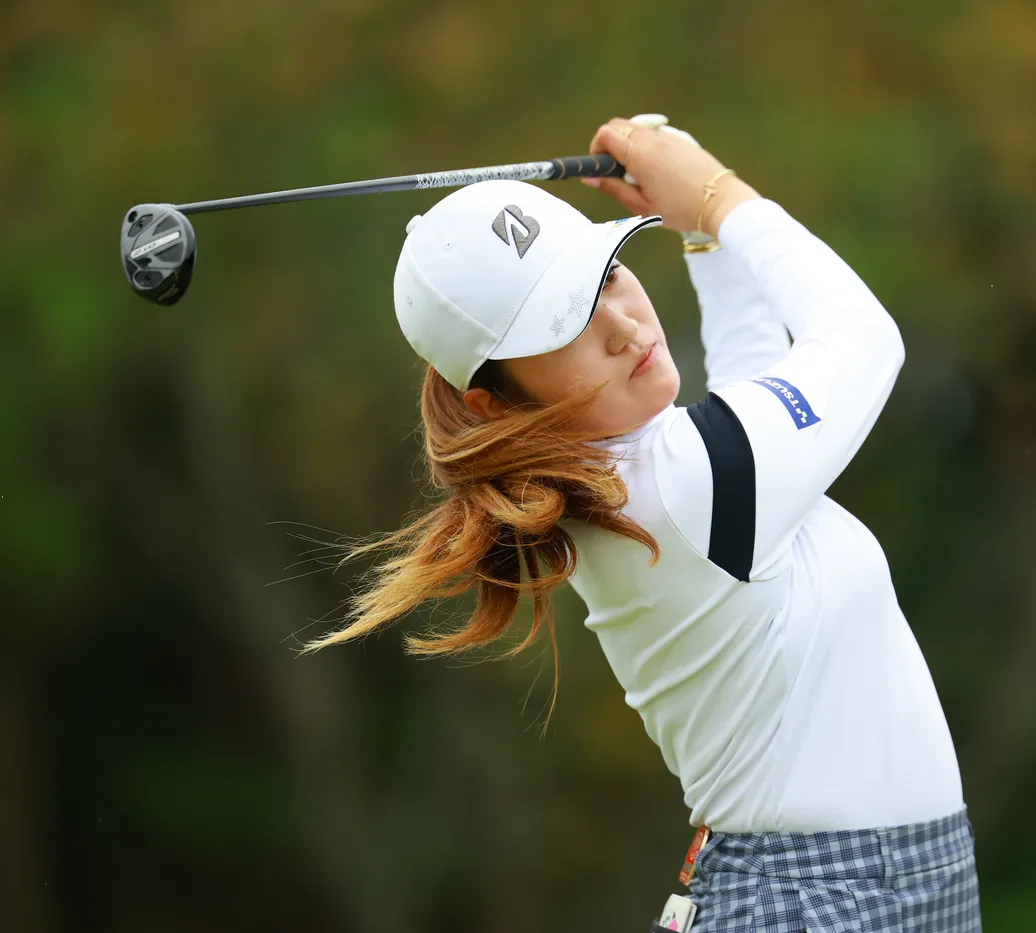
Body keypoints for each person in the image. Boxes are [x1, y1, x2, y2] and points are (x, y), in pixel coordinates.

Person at [306, 116, 982, 932]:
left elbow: (755, 374)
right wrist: (718, 193)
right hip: (815, 899)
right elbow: (865, 338)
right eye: (567, 325)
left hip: (864, 886)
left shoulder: (656, 472)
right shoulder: (681, 481)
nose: (624, 328)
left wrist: (703, 235)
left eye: (610, 276)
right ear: (496, 400)